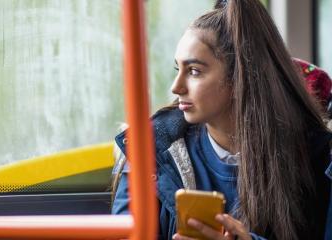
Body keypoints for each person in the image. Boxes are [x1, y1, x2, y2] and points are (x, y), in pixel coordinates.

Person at [111, 0, 332, 239]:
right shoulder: (150, 148)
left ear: (240, 79)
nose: (176, 88)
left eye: (194, 71)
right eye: (178, 70)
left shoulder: (316, 157)